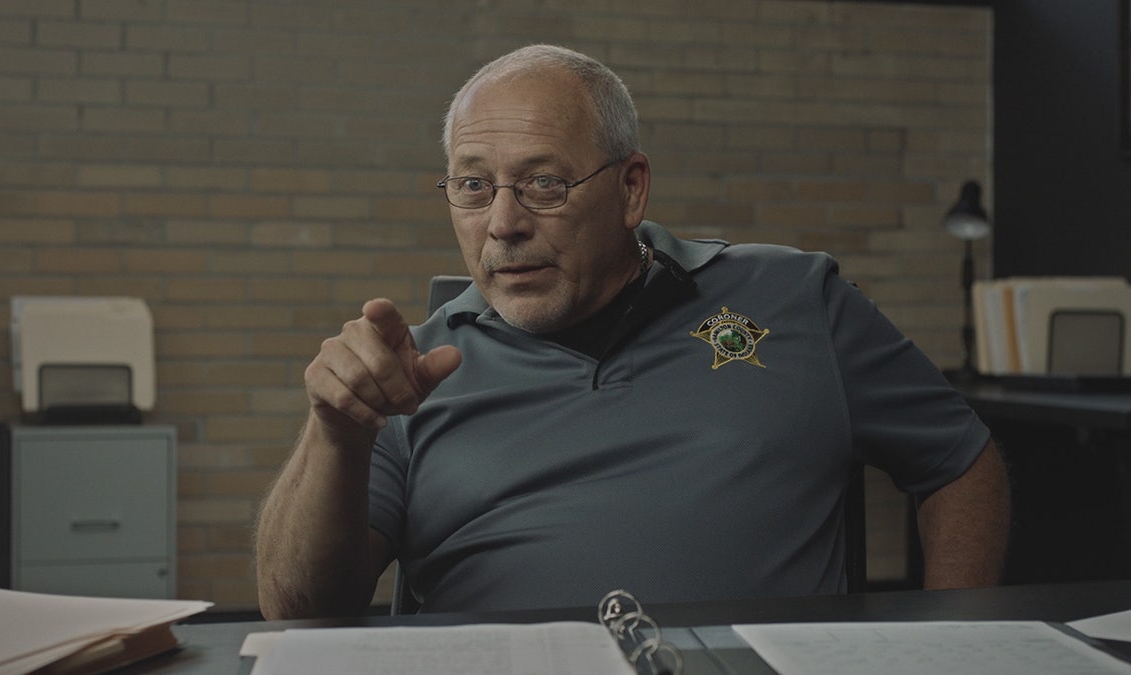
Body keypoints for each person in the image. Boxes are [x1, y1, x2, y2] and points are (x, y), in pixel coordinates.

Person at [254, 44, 1009, 618]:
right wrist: (334, 434)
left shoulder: (795, 297)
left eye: (545, 182)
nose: (504, 224)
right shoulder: (406, 373)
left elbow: (958, 460)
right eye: (474, 185)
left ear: (631, 188)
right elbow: (300, 612)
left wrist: (954, 638)